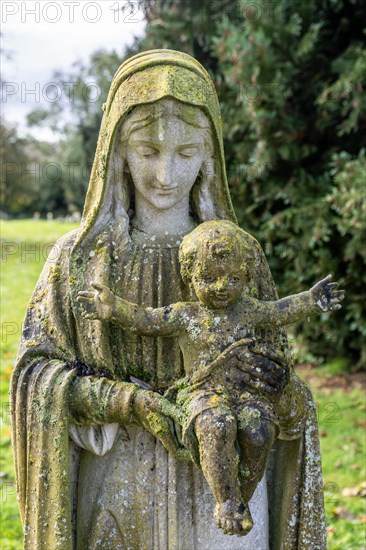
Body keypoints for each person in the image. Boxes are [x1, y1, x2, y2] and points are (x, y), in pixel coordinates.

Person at [11, 50, 327, 549]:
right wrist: (130, 402)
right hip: (120, 491)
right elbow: (36, 376)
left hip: (220, 512)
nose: (165, 175)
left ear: (210, 155)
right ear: (117, 150)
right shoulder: (80, 258)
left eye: (185, 153)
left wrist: (281, 389)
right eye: (147, 150)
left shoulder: (237, 253)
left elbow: (285, 398)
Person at [77, 220, 344, 537]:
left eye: (233, 278)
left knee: (259, 431)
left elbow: (279, 311)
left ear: (246, 277)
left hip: (246, 395)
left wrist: (312, 300)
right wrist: (113, 309)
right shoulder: (186, 314)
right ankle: (226, 502)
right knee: (215, 426)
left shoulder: (247, 309)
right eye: (209, 278)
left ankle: (240, 496)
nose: (222, 287)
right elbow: (145, 320)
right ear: (190, 278)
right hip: (204, 393)